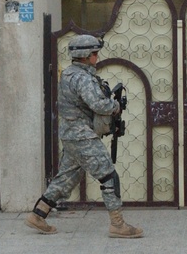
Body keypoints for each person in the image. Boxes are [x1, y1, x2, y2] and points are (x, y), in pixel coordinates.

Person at [25, 34, 143, 238]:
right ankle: (117, 224)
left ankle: (38, 215)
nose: (97, 57)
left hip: (72, 134)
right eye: (95, 53)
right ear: (86, 55)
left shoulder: (71, 74)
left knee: (67, 178)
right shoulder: (82, 78)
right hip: (82, 136)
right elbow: (98, 105)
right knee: (108, 176)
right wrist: (115, 106)